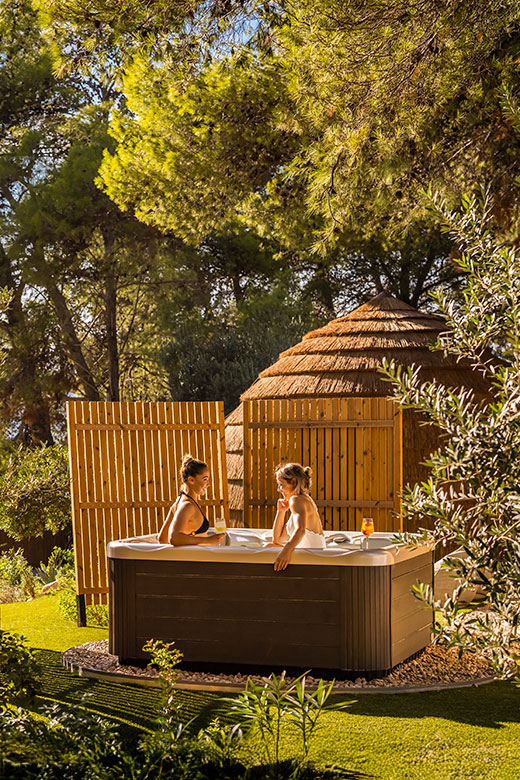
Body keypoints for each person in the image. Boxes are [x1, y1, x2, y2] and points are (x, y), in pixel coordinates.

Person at [267, 462, 325, 571]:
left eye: (281, 484)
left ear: (293, 482)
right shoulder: (303, 499)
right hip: (312, 555)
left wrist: (286, 552)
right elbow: (277, 539)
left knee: (268, 549)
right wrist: (281, 512)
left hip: (312, 559)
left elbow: (301, 530)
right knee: (270, 546)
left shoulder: (296, 500)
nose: (278, 489)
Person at [157, 454, 226, 546]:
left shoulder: (179, 501)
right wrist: (208, 540)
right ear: (191, 480)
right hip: (197, 558)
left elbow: (162, 538)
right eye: (205, 479)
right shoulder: (187, 506)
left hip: (196, 557)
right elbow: (173, 537)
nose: (208, 484)